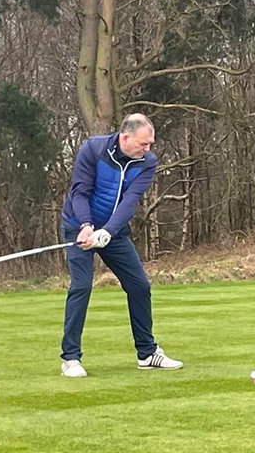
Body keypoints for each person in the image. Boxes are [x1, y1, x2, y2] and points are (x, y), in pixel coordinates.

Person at [59, 113, 182, 376]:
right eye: (143, 144)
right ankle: (70, 358)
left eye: (150, 144)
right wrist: (87, 225)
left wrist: (108, 231)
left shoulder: (147, 162)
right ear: (125, 138)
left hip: (113, 232)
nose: (148, 150)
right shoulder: (93, 149)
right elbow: (80, 191)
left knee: (139, 286)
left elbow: (130, 201)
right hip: (78, 226)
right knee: (81, 286)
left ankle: (147, 353)